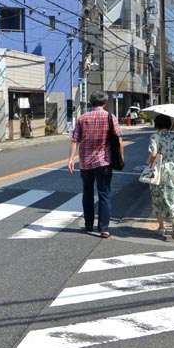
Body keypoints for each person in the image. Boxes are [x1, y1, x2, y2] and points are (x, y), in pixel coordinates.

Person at [67, 90, 124, 238]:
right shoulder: (110, 117)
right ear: (105, 102)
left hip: (85, 163)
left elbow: (75, 140)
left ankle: (88, 224)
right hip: (104, 162)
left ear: (90, 102)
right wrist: (121, 159)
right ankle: (103, 228)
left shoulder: (82, 118)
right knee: (104, 194)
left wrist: (71, 159)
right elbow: (118, 140)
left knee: (87, 193)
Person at [147, 113, 174, 239]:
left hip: (159, 169)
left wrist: (148, 162)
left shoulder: (155, 137)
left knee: (157, 198)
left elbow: (153, 154)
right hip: (173, 169)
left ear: (157, 124)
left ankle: (162, 226)